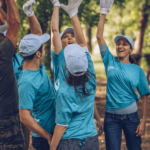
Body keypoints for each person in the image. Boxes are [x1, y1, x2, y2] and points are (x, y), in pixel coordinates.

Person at [97, 0, 150, 150]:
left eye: (124, 44)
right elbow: (99, 37)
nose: (120, 46)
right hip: (110, 119)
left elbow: (145, 95)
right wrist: (104, 12)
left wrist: (143, 121)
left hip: (132, 118)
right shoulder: (109, 61)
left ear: (130, 50)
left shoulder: (137, 70)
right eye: (118, 43)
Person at [50, 0, 101, 150]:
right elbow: (55, 33)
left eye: (72, 36)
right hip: (90, 137)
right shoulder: (89, 74)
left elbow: (61, 125)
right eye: (65, 36)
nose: (70, 38)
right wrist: (73, 14)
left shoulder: (65, 91)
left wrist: (56, 5)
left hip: (69, 139)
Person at [18, 1, 55, 150]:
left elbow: (37, 34)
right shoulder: (27, 83)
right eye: (44, 49)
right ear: (38, 54)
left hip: (55, 130)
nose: (45, 51)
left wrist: (30, 14)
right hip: (44, 138)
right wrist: (48, 136)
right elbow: (24, 117)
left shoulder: (33, 62)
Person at [0, 8, 30, 149]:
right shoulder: (4, 54)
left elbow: (10, 26)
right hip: (8, 119)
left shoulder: (11, 56)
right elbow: (14, 23)